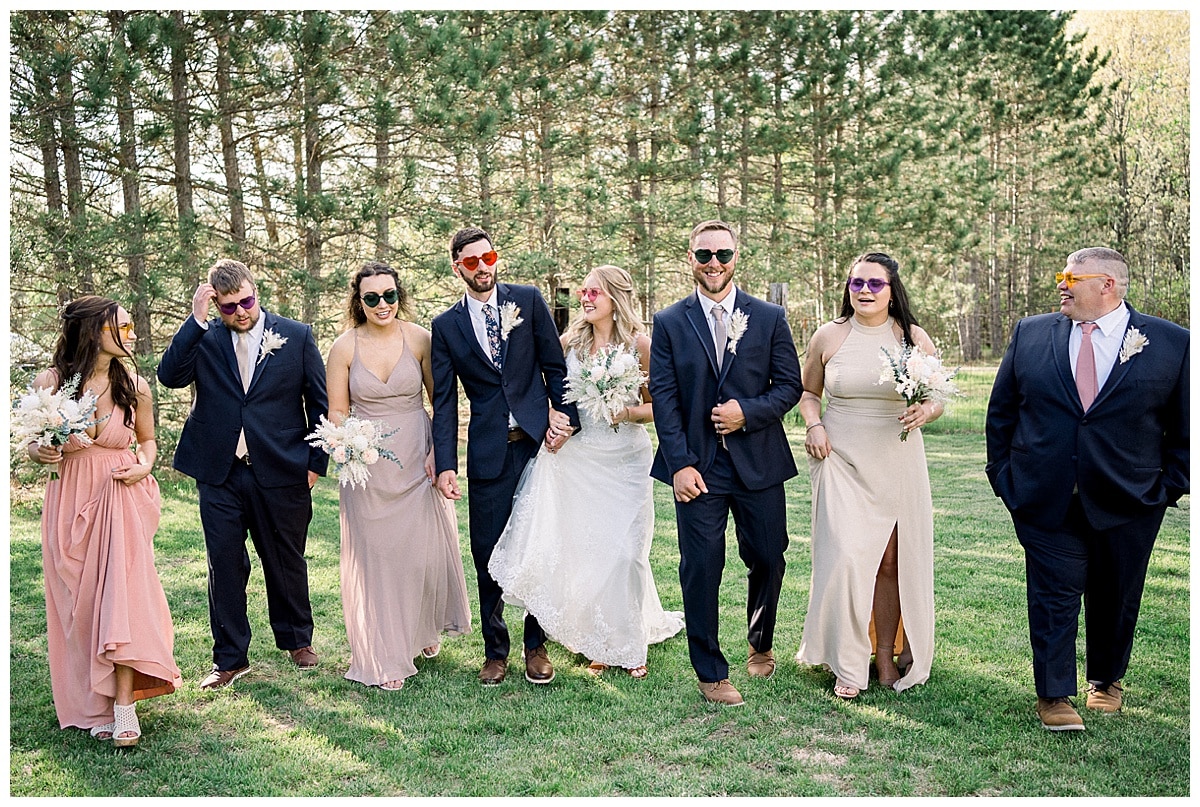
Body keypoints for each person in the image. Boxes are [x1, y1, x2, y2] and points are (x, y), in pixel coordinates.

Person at [986, 247, 1188, 731]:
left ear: (1108, 285)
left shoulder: (1172, 342)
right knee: (1051, 593)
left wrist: (1168, 488)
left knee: (1116, 592)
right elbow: (1003, 412)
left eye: (1070, 277)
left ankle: (1105, 679)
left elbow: (1186, 426)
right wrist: (1004, 476)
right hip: (1043, 495)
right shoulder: (1030, 333)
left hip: (1130, 499)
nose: (1060, 284)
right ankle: (1053, 695)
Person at [488, 265, 684, 678]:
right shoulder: (568, 343)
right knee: (592, 552)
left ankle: (630, 645)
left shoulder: (640, 345)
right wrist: (552, 419)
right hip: (579, 460)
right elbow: (544, 392)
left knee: (627, 553)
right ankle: (604, 641)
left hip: (626, 459)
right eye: (583, 292)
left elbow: (661, 405)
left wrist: (627, 410)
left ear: (615, 297)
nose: (586, 298)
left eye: (594, 292)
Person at [649, 220, 802, 706]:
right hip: (697, 465)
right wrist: (679, 464)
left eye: (722, 253)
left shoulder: (770, 316)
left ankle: (761, 640)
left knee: (768, 556)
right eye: (703, 255)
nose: (713, 263)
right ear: (689, 258)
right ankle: (711, 670)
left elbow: (789, 386)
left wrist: (746, 414)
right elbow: (666, 398)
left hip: (758, 460)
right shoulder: (670, 322)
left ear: (737, 256)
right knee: (700, 566)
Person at [157, 258, 329, 690]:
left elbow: (320, 405)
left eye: (246, 301)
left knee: (285, 559)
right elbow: (169, 376)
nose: (241, 312)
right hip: (219, 473)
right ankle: (230, 658)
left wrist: (315, 465)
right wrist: (195, 320)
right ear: (216, 305)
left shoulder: (296, 335)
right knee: (225, 565)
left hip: (282, 468)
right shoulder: (206, 337)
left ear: (256, 291)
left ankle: (297, 640)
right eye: (229, 307)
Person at [28, 296, 181, 747]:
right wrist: (42, 451)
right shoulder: (52, 382)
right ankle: (91, 701)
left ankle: (124, 708)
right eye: (124, 326)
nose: (132, 333)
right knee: (81, 602)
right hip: (70, 498)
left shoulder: (135, 384)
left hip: (121, 495)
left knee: (122, 600)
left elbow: (148, 442)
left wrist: (145, 466)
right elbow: (34, 446)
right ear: (95, 330)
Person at [431, 226, 580, 687]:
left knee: (539, 544)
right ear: (458, 268)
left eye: (488, 257)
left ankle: (536, 646)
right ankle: (496, 651)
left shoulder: (530, 300)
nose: (482, 267)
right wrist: (445, 464)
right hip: (489, 451)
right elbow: (444, 401)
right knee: (487, 550)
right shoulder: (445, 326)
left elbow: (555, 368)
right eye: (471, 262)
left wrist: (566, 419)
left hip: (539, 445)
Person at [794, 252, 939, 699]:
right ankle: (847, 662)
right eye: (857, 283)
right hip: (837, 456)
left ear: (892, 290)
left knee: (891, 563)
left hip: (895, 458)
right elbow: (807, 393)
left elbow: (939, 395)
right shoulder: (828, 336)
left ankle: (884, 657)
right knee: (846, 559)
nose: (865, 292)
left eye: (875, 284)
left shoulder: (911, 337)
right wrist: (814, 425)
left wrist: (927, 410)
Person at [325, 261, 472, 691]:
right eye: (372, 298)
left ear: (398, 294)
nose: (382, 304)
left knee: (418, 552)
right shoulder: (344, 348)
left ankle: (420, 629)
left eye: (389, 295)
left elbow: (440, 401)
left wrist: (437, 452)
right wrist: (346, 443)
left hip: (415, 455)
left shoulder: (421, 339)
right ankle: (385, 654)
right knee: (377, 558)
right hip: (367, 465)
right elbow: (336, 410)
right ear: (359, 302)